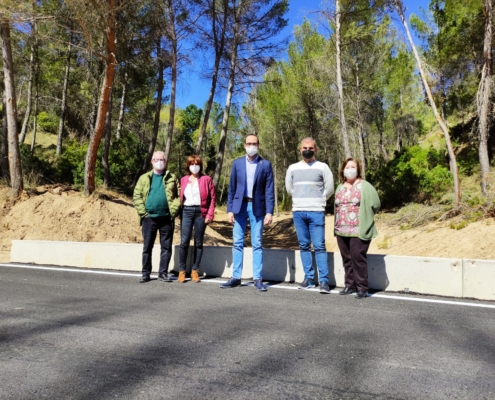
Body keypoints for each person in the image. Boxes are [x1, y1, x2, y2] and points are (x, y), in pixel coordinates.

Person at [221, 134, 275, 291]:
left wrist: (269, 212)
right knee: (237, 243)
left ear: (258, 145)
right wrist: (229, 210)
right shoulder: (237, 164)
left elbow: (269, 190)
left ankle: (257, 278)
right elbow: (231, 188)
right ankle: (236, 277)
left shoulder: (265, 164)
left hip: (257, 207)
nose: (251, 146)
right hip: (239, 207)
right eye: (249, 143)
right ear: (244, 145)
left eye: (254, 143)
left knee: (257, 243)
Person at [285, 137, 334, 294]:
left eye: (311, 148)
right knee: (304, 245)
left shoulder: (323, 167)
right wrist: (300, 199)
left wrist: (318, 200)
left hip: (316, 211)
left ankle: (324, 281)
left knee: (319, 246)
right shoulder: (292, 168)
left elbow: (330, 189)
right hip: (298, 211)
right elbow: (289, 189)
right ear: (300, 150)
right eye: (305, 148)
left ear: (316, 150)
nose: (307, 150)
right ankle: (309, 279)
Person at [334, 157, 380, 299]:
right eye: (347, 167)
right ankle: (349, 285)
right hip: (341, 229)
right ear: (343, 170)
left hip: (359, 229)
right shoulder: (340, 187)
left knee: (357, 257)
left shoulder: (365, 186)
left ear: (358, 169)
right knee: (347, 258)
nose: (350, 170)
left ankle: (362, 287)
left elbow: (376, 204)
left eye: (353, 167)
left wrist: (364, 216)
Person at [133, 151, 181, 283]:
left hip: (166, 218)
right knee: (147, 247)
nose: (159, 162)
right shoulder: (144, 178)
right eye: (156, 159)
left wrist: (174, 210)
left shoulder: (172, 177)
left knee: (166, 247)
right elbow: (137, 196)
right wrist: (144, 213)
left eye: (162, 159)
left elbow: (179, 195)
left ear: (165, 162)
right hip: (149, 218)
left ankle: (163, 273)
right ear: (151, 161)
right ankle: (145, 273)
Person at [178, 155, 216, 283]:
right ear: (188, 166)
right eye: (192, 164)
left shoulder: (206, 179)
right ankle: (182, 271)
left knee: (198, 242)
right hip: (186, 211)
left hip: (201, 212)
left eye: (197, 163)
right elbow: (179, 196)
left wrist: (210, 215)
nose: (195, 166)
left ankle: (195, 270)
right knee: (184, 241)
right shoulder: (183, 179)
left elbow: (212, 198)